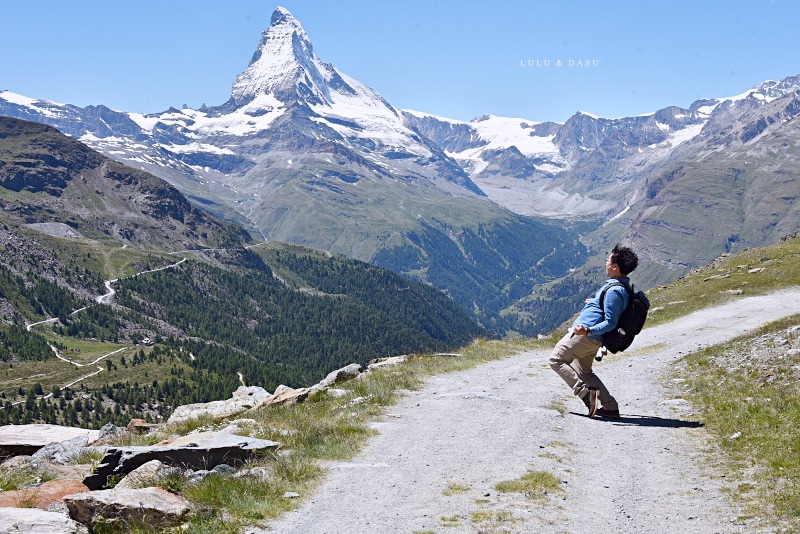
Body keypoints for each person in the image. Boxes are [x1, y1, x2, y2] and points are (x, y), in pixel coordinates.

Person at [548, 244, 639, 419]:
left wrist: (587, 330)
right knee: (584, 372)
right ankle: (610, 407)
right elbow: (609, 311)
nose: (605, 263)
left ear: (615, 266)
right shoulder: (619, 287)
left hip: (586, 337)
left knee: (556, 359)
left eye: (608, 260)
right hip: (593, 339)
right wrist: (594, 302)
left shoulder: (615, 291)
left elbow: (610, 322)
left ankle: (586, 395)